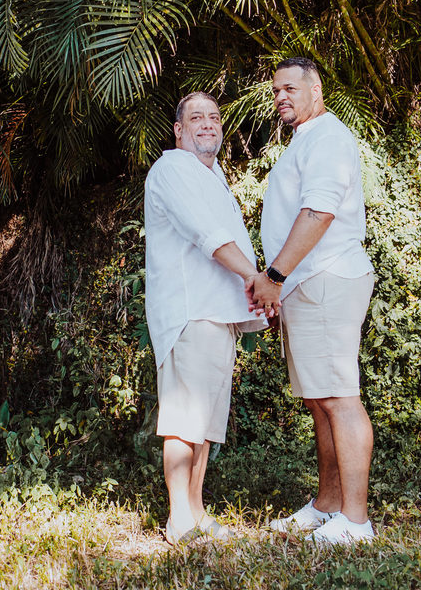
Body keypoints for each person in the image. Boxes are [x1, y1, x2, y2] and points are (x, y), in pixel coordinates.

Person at [246, 57, 377, 546]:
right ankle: (328, 506)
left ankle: (357, 522)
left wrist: (275, 276)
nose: (281, 96)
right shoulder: (306, 140)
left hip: (326, 278)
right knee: (320, 400)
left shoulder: (327, 138)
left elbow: (319, 212)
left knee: (339, 398)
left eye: (290, 87)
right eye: (275, 90)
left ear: (316, 89)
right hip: (307, 285)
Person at [144, 91, 266, 545]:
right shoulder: (172, 169)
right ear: (179, 130)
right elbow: (207, 236)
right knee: (184, 420)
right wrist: (258, 279)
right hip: (190, 311)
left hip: (217, 314)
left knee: (206, 424)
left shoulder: (211, 176)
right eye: (197, 118)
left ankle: (195, 511)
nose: (209, 124)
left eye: (214, 117)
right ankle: (179, 520)